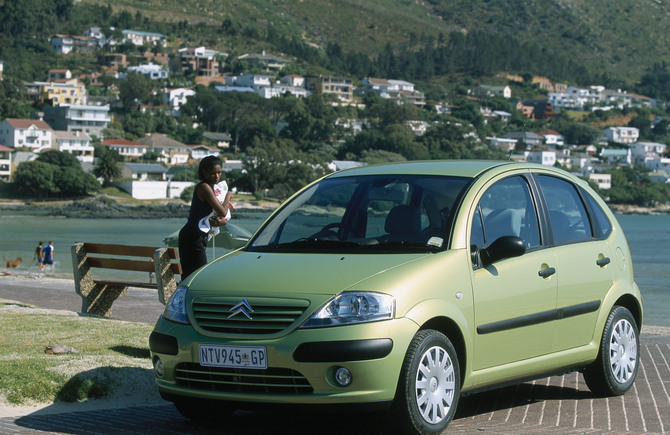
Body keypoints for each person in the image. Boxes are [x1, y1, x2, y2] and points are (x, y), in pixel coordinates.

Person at [178, 156, 233, 281]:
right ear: (204, 172)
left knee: (192, 275)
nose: (217, 176)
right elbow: (223, 211)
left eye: (219, 172)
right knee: (197, 276)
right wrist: (228, 196)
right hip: (192, 236)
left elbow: (210, 216)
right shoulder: (204, 187)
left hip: (198, 235)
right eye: (213, 173)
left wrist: (219, 222)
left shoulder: (211, 188)